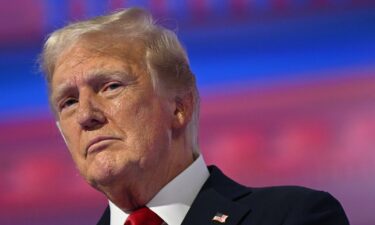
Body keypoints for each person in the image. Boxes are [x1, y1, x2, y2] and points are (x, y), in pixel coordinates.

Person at [39, 7, 350, 225]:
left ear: (179, 105)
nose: (85, 115)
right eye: (68, 102)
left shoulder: (294, 217)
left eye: (110, 86)